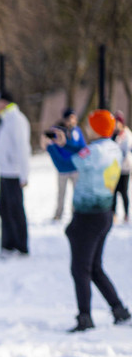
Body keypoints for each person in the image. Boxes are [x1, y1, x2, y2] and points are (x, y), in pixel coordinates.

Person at [46, 109, 130, 331]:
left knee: (80, 269)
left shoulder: (93, 153)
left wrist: (52, 148)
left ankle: (85, 317)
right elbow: (84, 153)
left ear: (94, 128)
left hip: (87, 218)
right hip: (104, 214)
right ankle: (118, 309)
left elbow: (67, 166)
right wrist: (65, 145)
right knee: (94, 267)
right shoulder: (113, 147)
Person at [0, 90, 31, 257]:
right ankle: (8, 246)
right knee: (4, 208)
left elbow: (23, 148)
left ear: (5, 103)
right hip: (5, 172)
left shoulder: (16, 120)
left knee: (15, 210)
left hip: (14, 173)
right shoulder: (6, 120)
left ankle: (20, 246)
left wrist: (24, 174)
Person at [48, 108, 86, 222]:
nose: (72, 121)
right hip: (62, 168)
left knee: (76, 192)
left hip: (75, 167)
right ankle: (58, 213)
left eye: (74, 118)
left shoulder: (77, 131)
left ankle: (75, 212)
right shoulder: (57, 131)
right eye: (70, 118)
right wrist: (60, 161)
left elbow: (82, 147)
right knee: (61, 192)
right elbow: (52, 146)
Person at [112, 110, 130, 223]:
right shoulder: (113, 134)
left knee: (123, 191)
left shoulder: (127, 134)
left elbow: (126, 151)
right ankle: (113, 213)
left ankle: (126, 214)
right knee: (113, 191)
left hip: (124, 167)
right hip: (114, 168)